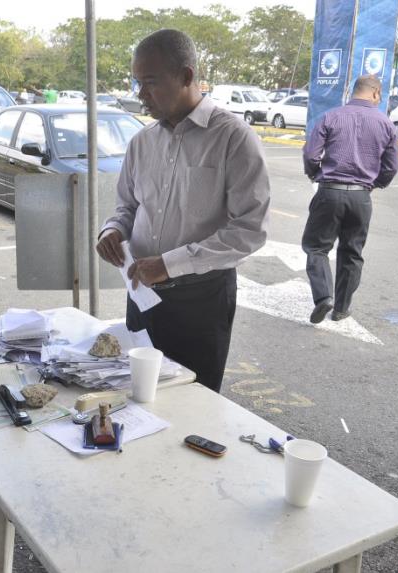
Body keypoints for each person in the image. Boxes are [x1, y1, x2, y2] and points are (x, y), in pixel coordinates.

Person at [95, 29, 269, 393]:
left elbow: (248, 230)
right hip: (141, 292)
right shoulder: (142, 142)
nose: (140, 95)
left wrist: (170, 264)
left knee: (194, 400)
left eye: (150, 83)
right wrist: (112, 230)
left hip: (201, 298)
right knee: (135, 393)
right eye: (137, 83)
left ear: (187, 76)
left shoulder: (233, 139)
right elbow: (127, 205)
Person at [301, 74, 398, 323]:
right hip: (361, 197)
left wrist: (315, 174)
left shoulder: (332, 116)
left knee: (316, 247)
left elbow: (312, 154)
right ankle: (342, 308)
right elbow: (391, 166)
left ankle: (324, 298)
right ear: (375, 93)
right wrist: (374, 184)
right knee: (352, 252)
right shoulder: (385, 124)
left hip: (329, 191)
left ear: (354, 91)